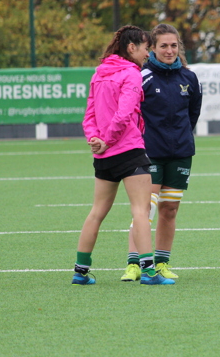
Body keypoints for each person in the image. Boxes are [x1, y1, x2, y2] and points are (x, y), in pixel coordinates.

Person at [73, 25, 175, 286]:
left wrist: (95, 140)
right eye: (145, 48)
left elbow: (89, 115)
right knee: (141, 211)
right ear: (132, 48)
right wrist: (106, 141)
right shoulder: (131, 74)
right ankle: (150, 273)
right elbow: (124, 114)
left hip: (104, 156)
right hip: (128, 151)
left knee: (96, 212)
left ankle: (80, 272)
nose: (148, 55)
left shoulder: (100, 73)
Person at [120, 23, 202, 283]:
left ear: (180, 47)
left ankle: (162, 262)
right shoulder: (141, 76)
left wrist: (181, 136)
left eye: (174, 45)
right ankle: (134, 264)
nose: (169, 50)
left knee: (170, 209)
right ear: (152, 48)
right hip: (149, 152)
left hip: (180, 153)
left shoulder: (189, 78)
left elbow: (193, 114)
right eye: (163, 46)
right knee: (146, 209)